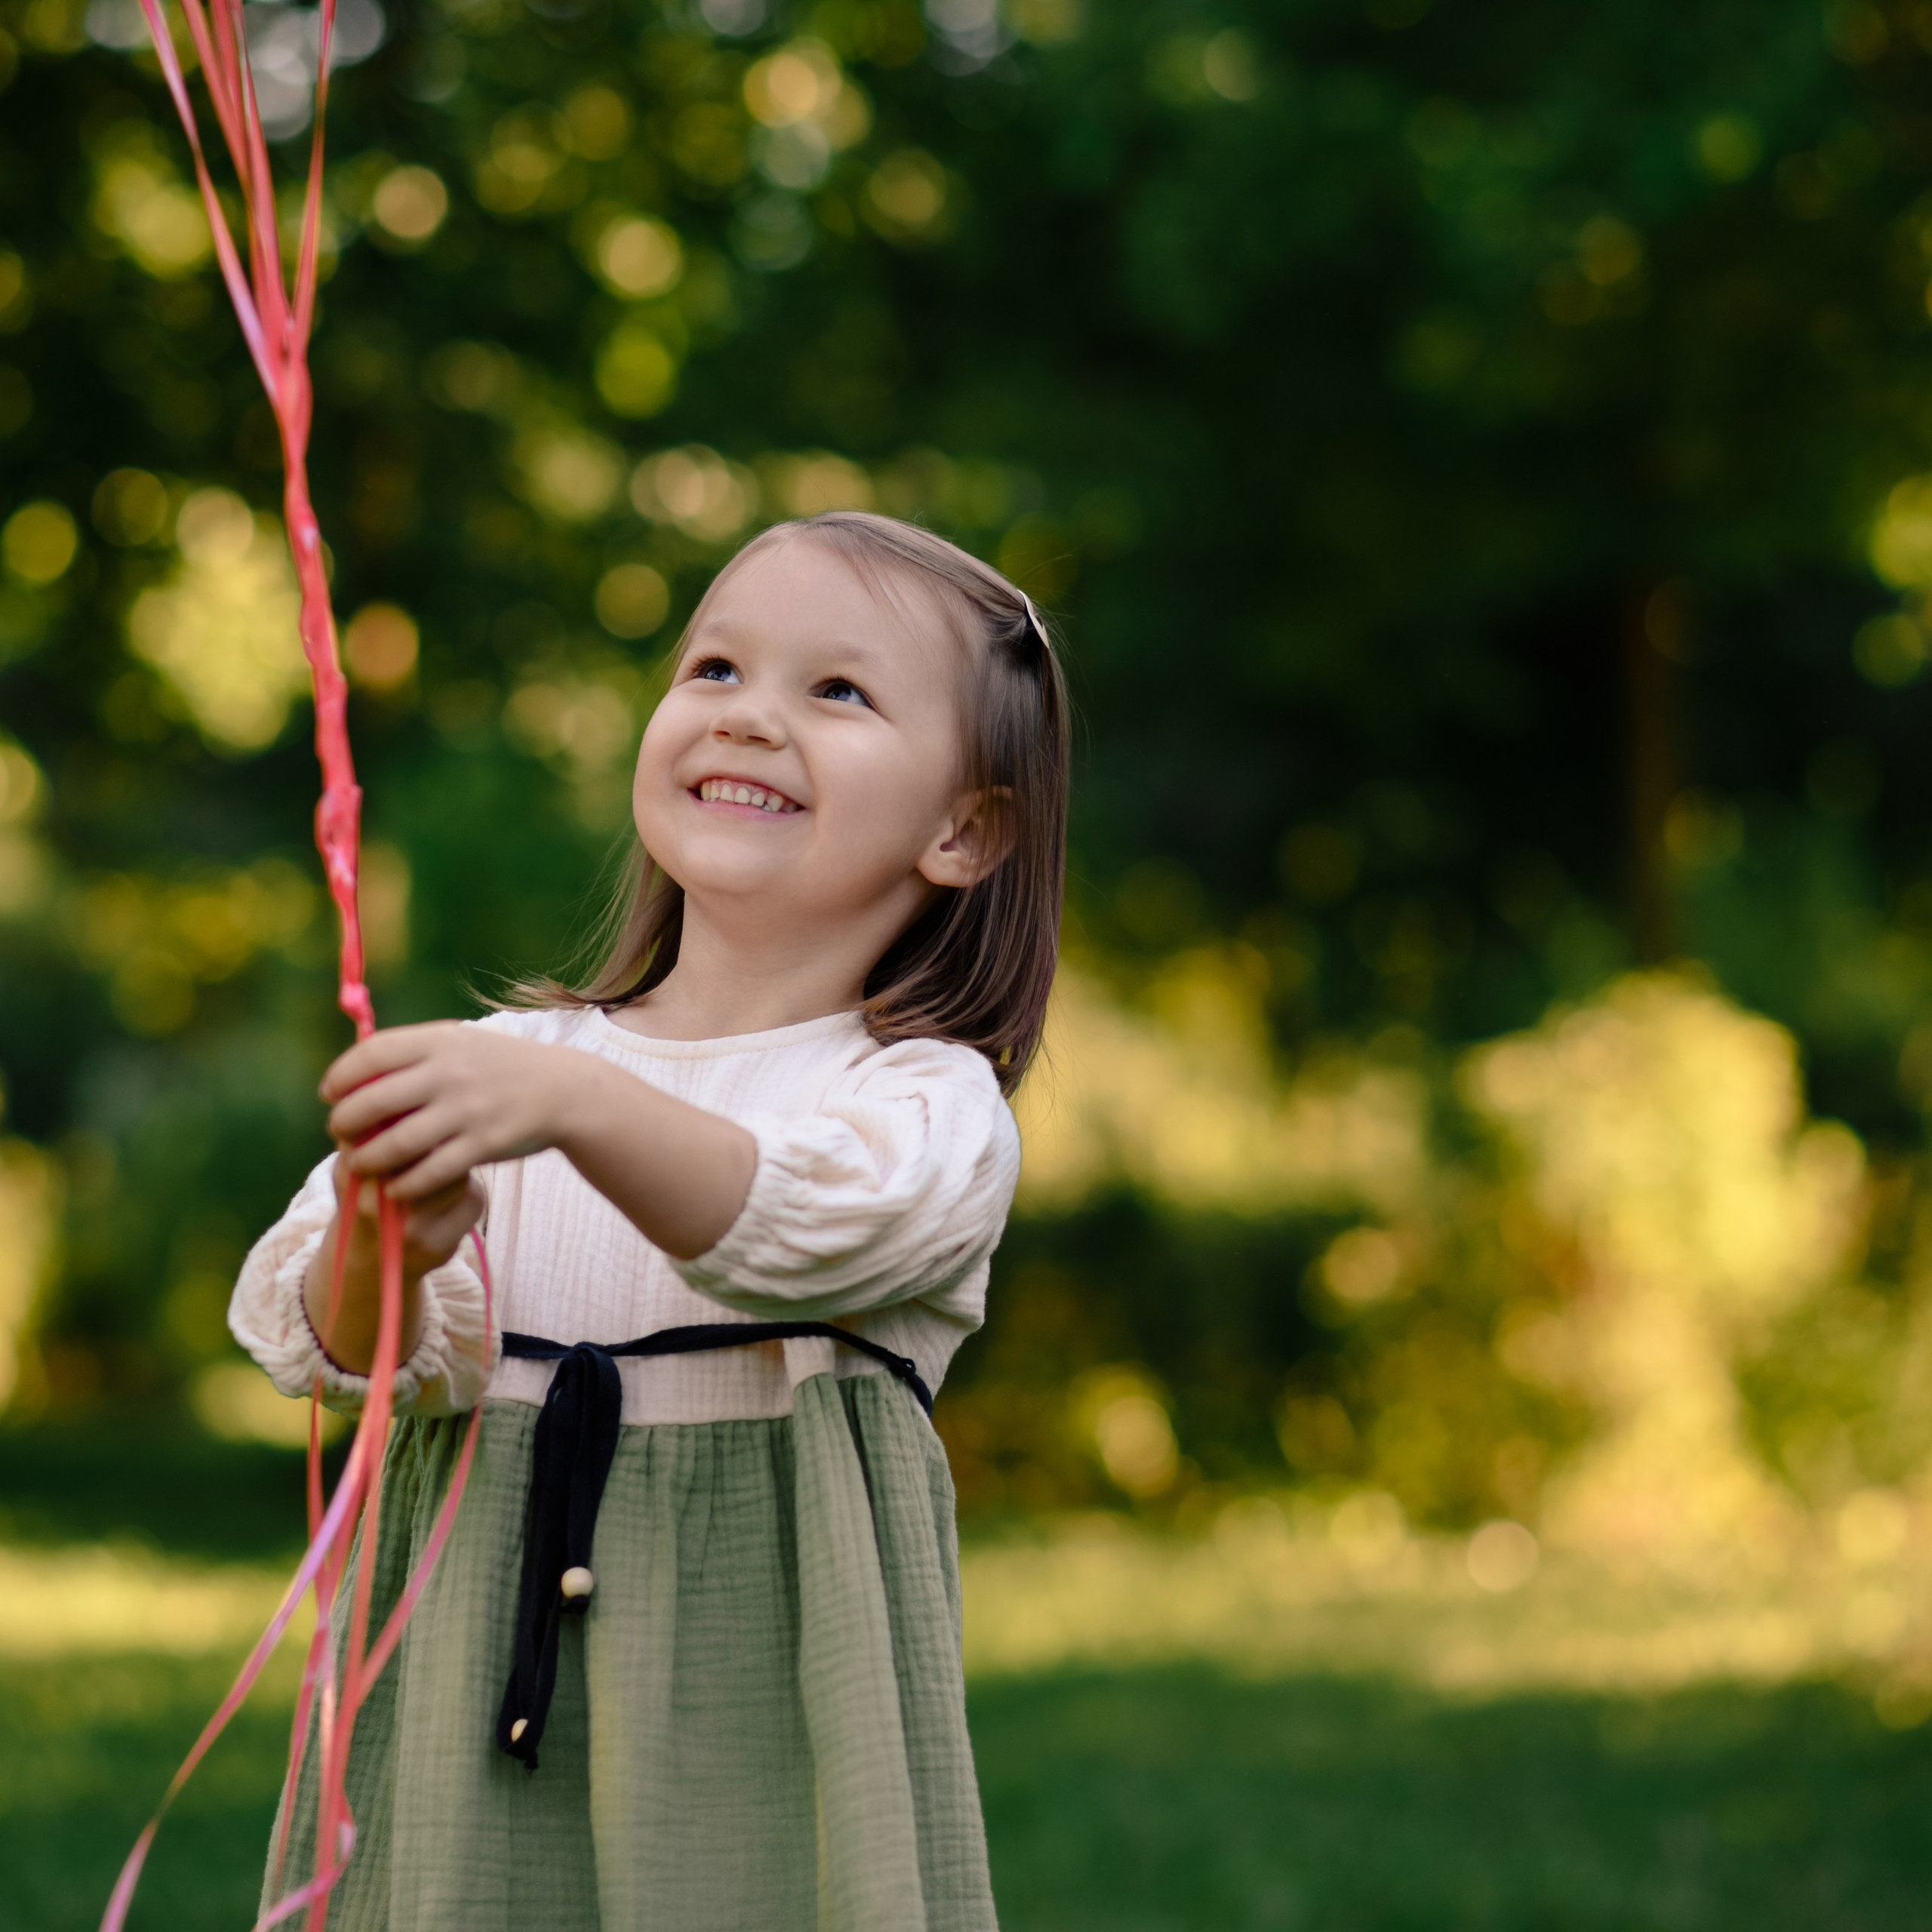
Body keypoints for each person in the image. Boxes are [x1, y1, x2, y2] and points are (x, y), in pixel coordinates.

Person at [228, 509, 1069, 1932]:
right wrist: (392, 1241)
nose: (748, 717)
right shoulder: (517, 1065)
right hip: (465, 1690)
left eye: (838, 690)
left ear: (963, 830)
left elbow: (804, 1230)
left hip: (761, 1714)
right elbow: (343, 1354)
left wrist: (570, 1104)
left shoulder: (918, 1103)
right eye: (715, 668)